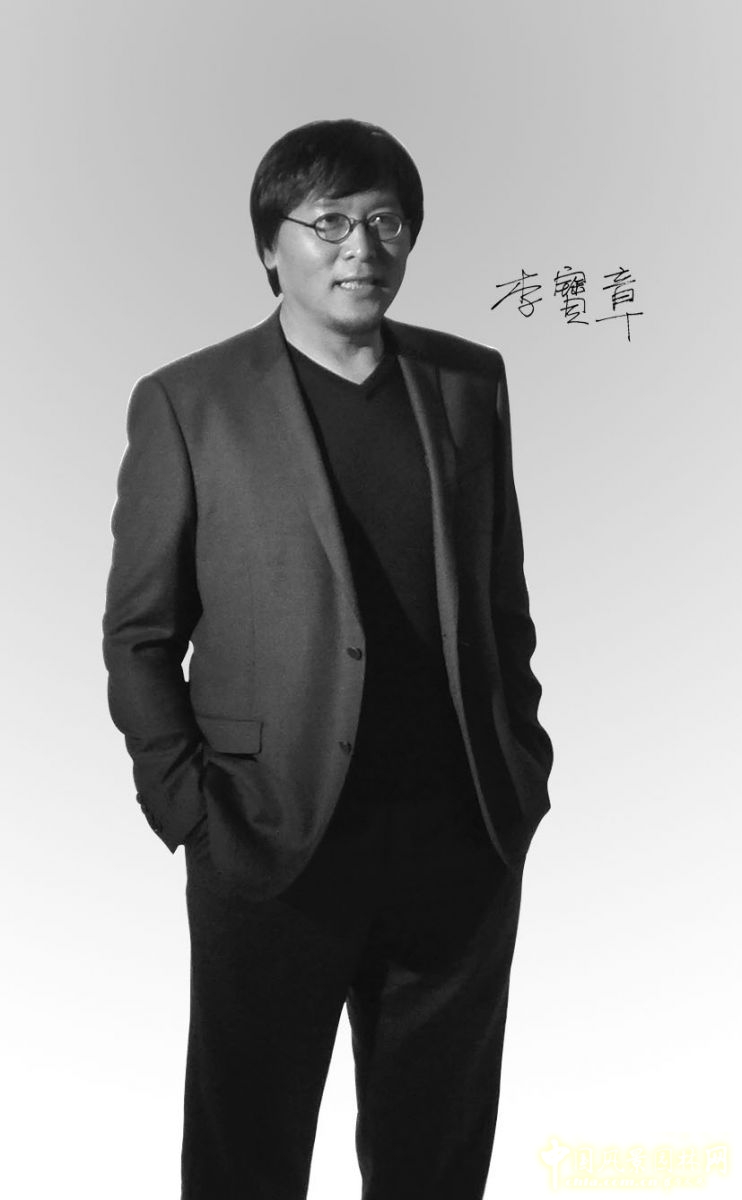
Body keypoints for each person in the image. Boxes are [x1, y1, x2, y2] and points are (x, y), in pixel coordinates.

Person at [103, 117, 554, 1200]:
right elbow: (140, 633)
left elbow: (502, 601)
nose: (364, 247)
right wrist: (189, 810)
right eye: (332, 222)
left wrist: (522, 766)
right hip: (270, 845)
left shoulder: (468, 381)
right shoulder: (190, 402)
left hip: (458, 839)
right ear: (271, 246)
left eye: (387, 222)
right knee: (247, 1157)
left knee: (435, 1161)